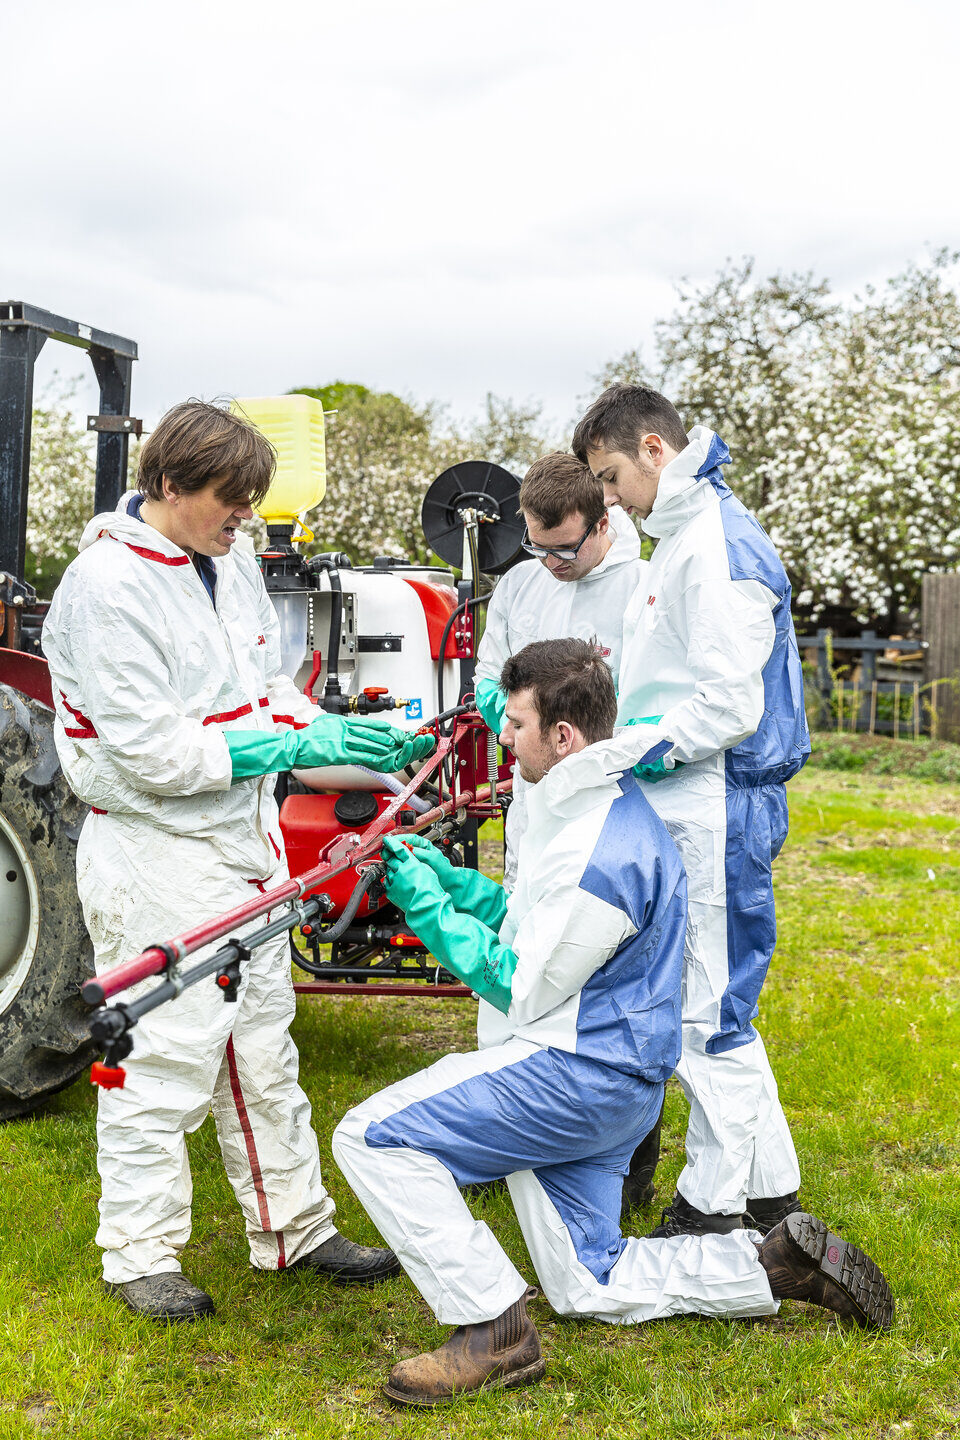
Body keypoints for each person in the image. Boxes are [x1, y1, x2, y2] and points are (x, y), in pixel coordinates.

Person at [332, 640, 891, 1408]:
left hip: (574, 1078)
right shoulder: (597, 801)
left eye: (517, 725)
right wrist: (451, 881)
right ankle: (768, 1268)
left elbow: (518, 982)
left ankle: (488, 1330)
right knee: (586, 1282)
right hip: (617, 1082)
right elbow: (537, 922)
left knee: (371, 1137)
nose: (505, 738)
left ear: (564, 738)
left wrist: (425, 909)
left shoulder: (603, 854)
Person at [42, 400, 432, 1323]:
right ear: (169, 483)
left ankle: (293, 1226)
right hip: (157, 849)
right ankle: (139, 1253)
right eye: (230, 498)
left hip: (241, 843)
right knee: (164, 1056)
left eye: (251, 501)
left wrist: (331, 730)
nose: (244, 517)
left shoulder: (229, 561)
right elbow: (151, 754)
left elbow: (260, 693)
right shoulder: (105, 589)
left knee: (261, 1044)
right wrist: (278, 752)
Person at [571, 383, 811, 1240]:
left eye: (609, 477)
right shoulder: (680, 536)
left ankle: (711, 1209)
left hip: (718, 799)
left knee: (708, 1018)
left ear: (654, 451)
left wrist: (623, 752)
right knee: (712, 1005)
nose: (607, 499)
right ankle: (774, 1194)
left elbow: (726, 708)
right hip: (689, 797)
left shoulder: (713, 549)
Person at [474, 451, 644, 893]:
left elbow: (649, 698)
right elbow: (489, 680)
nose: (551, 562)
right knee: (526, 903)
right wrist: (529, 734)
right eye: (537, 547)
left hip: (611, 793)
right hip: (532, 794)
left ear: (603, 521)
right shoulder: (519, 585)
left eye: (565, 548)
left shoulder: (644, 586)